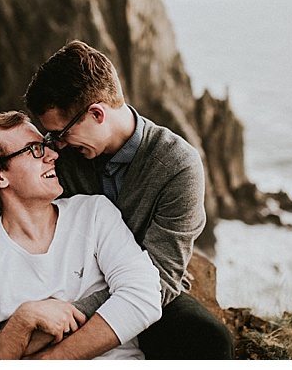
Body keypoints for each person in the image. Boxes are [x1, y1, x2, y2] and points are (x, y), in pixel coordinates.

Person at [23, 39, 234, 359]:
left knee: (207, 338)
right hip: (58, 287)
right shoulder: (59, 157)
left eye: (62, 133)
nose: (58, 146)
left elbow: (158, 281)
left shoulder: (178, 166)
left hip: (141, 295)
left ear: (96, 113)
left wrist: (66, 320)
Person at [0, 110, 162, 359]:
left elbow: (144, 296)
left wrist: (51, 359)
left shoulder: (94, 213)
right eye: (35, 149)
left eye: (45, 145)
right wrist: (22, 323)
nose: (53, 155)